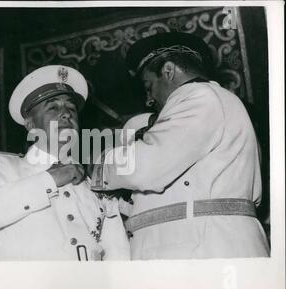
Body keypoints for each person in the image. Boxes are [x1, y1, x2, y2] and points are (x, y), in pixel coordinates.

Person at [91, 32, 270, 259]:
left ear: (168, 70)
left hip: (207, 249)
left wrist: (98, 166)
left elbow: (147, 166)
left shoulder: (201, 97)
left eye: (149, 86)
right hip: (201, 244)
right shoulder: (211, 101)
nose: (149, 99)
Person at [0, 65, 130, 261]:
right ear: (30, 124)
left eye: (71, 107)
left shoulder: (93, 184)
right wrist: (52, 179)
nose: (66, 114)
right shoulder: (0, 164)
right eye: (53, 107)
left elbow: (117, 254)